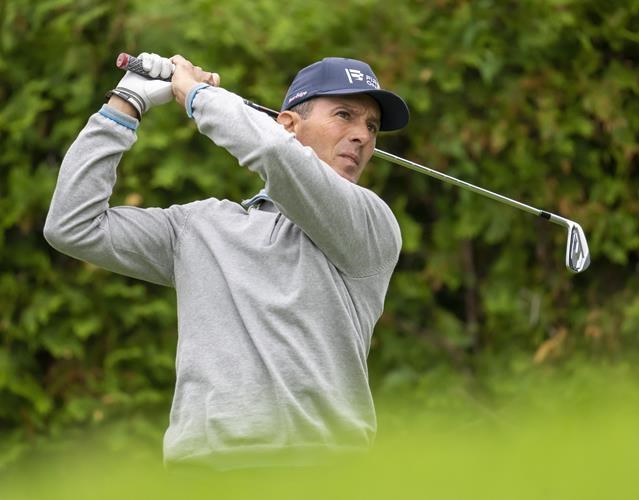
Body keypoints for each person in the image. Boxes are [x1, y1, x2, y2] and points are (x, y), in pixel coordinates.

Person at [44, 52, 409, 470]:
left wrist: (195, 95)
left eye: (372, 125)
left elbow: (275, 154)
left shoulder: (370, 224)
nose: (362, 135)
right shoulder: (199, 227)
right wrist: (127, 101)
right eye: (345, 114)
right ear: (288, 123)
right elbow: (73, 225)